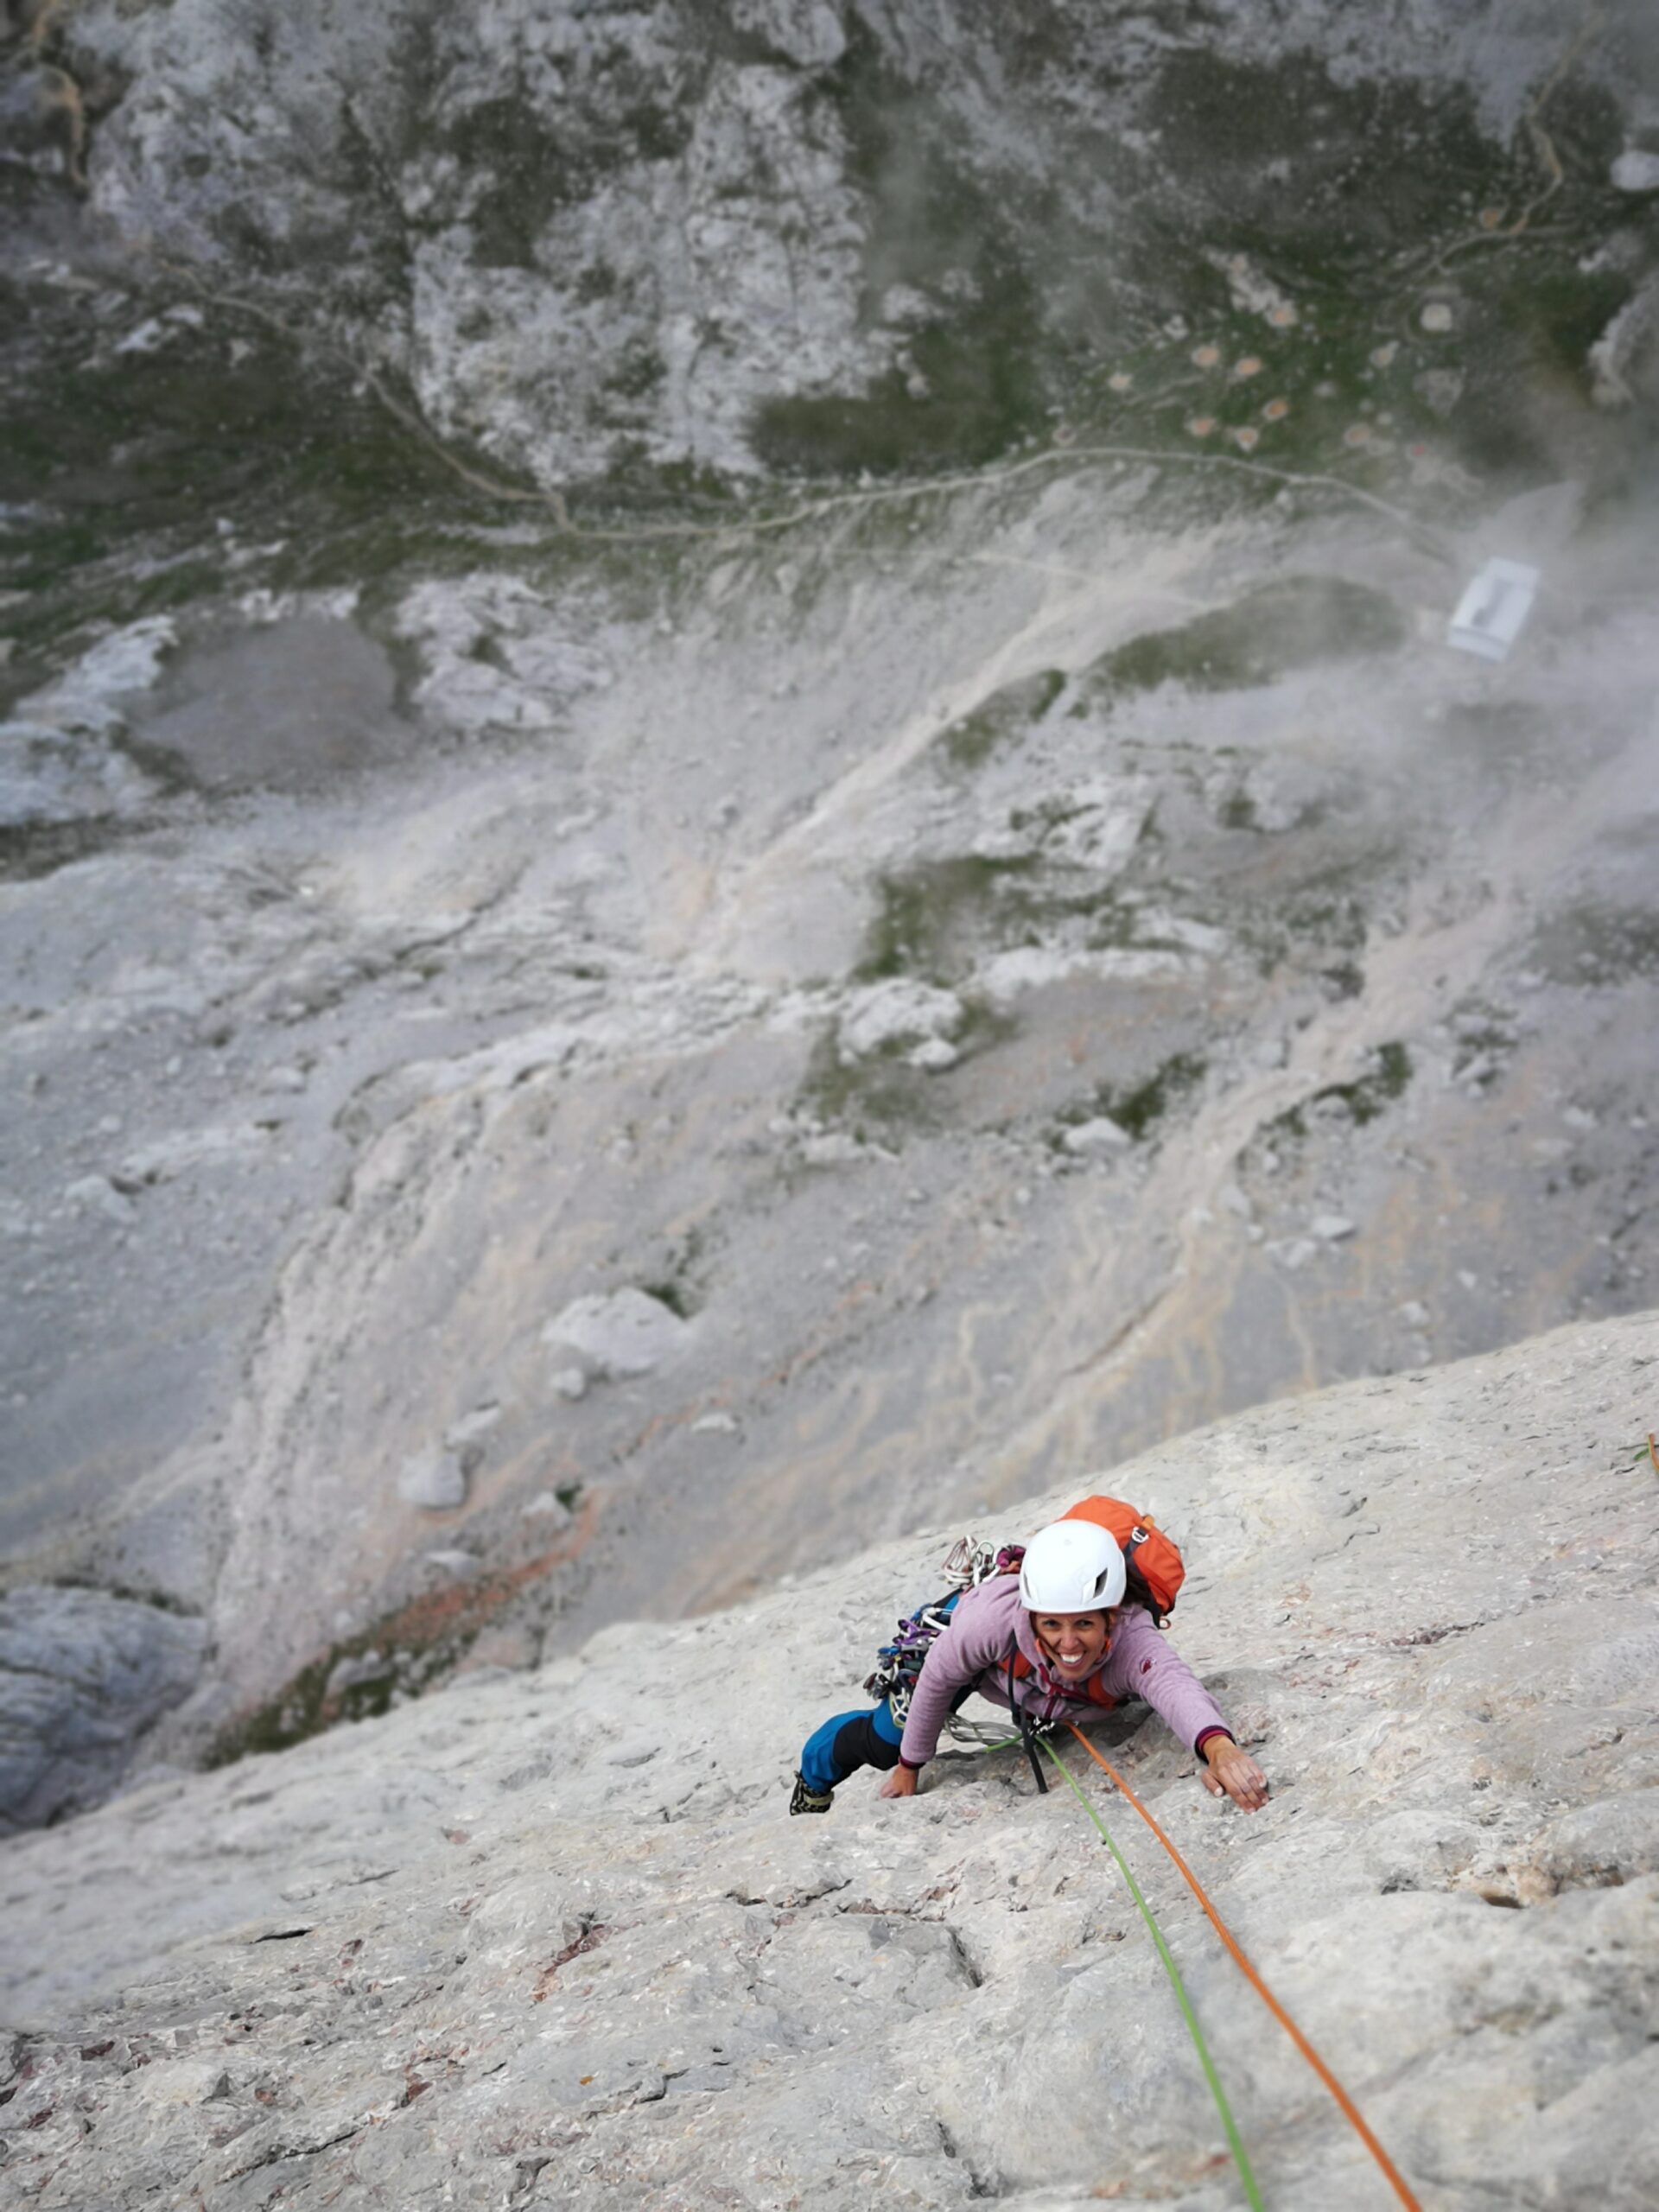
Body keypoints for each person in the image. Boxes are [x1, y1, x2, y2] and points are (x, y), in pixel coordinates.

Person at [791, 1516, 1268, 1814]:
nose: (1068, 1643)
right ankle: (812, 1781)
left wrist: (1218, 1749)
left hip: (1017, 1674)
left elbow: (1173, 1685)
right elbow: (938, 1677)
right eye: (1052, 1625)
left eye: (1084, 1624)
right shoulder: (990, 1622)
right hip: (969, 1642)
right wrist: (909, 1766)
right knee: (884, 1741)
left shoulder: (1131, 1639)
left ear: (1110, 1616)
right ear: (1032, 1616)